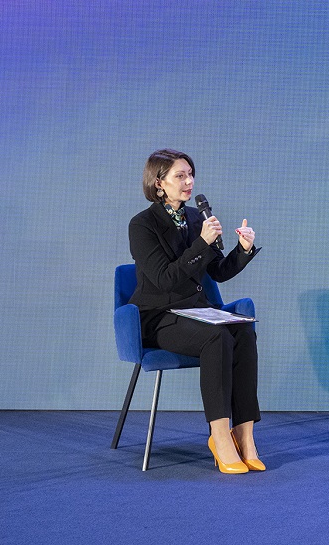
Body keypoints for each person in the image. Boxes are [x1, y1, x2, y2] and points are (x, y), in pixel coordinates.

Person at [128, 149, 262, 474]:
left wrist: (242, 250)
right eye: (180, 176)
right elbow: (164, 279)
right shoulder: (142, 225)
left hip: (197, 312)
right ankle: (219, 435)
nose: (189, 182)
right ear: (159, 183)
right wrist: (201, 243)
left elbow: (218, 272)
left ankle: (245, 435)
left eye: (190, 174)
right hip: (160, 316)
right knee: (217, 337)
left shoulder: (196, 218)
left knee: (243, 330)